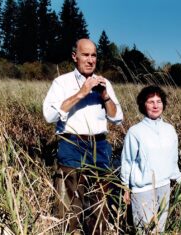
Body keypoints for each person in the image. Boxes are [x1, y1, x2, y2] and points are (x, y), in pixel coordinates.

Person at [43, 38, 123, 234]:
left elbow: (117, 118)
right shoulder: (62, 82)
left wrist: (104, 95)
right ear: (74, 57)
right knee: (70, 207)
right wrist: (81, 93)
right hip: (71, 144)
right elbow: (49, 115)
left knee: (99, 206)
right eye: (85, 55)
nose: (90, 60)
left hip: (100, 146)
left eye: (93, 55)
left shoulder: (104, 83)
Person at [120, 85, 181, 233]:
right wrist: (125, 187)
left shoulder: (170, 129)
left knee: (159, 230)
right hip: (143, 190)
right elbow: (127, 161)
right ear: (143, 105)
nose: (155, 105)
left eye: (159, 101)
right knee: (144, 231)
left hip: (164, 187)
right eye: (151, 101)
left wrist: (179, 179)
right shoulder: (135, 131)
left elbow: (172, 159)